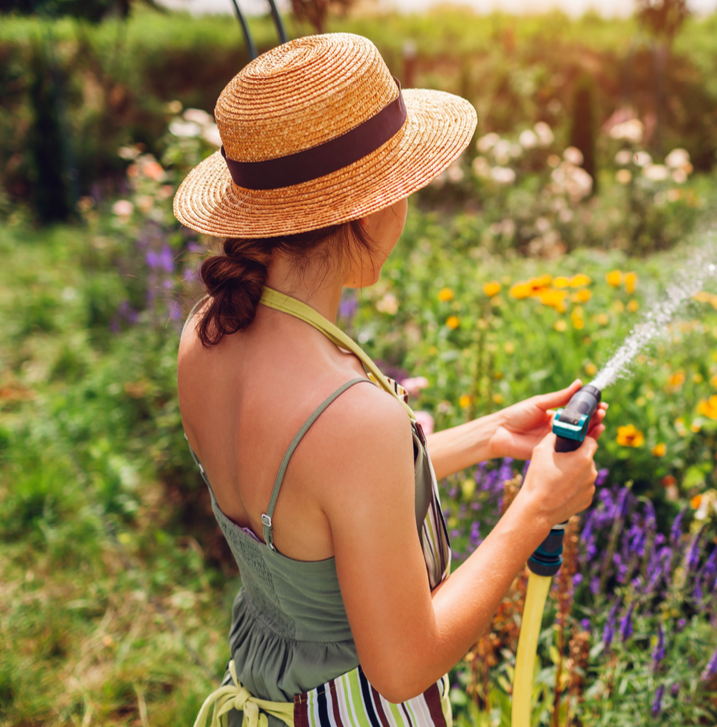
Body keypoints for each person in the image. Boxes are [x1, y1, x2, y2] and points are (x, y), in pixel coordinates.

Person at [173, 33, 606, 727]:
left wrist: (489, 435)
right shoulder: (348, 416)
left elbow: (315, 509)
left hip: (263, 696)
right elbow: (403, 665)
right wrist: (534, 509)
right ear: (370, 207)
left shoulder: (206, 335)